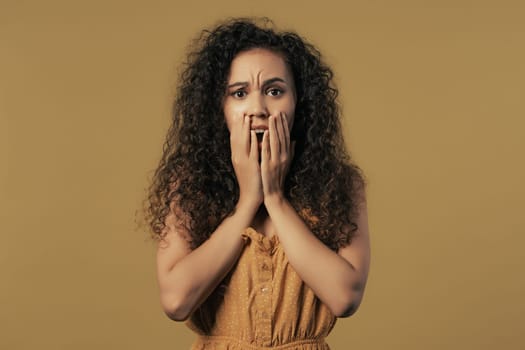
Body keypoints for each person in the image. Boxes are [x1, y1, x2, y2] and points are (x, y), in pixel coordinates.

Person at [145, 17, 371, 349]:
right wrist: (248, 201)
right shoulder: (189, 186)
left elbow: (345, 297)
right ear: (219, 107)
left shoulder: (339, 184)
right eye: (239, 93)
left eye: (275, 91)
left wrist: (276, 198)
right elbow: (176, 301)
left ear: (299, 103)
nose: (257, 109)